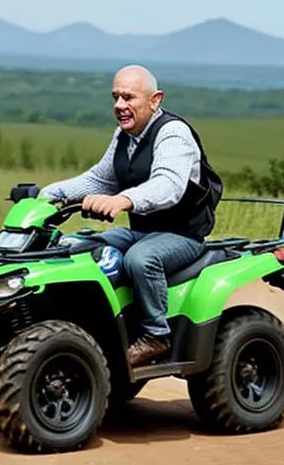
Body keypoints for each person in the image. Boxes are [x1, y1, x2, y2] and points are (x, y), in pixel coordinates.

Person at [39, 65, 222, 367]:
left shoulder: (174, 134)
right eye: (115, 97)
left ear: (155, 100)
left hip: (182, 236)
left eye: (128, 97)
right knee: (78, 246)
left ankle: (155, 335)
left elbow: (169, 186)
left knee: (140, 259)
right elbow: (100, 179)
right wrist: (47, 194)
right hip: (142, 231)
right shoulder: (125, 135)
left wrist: (124, 200)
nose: (119, 106)